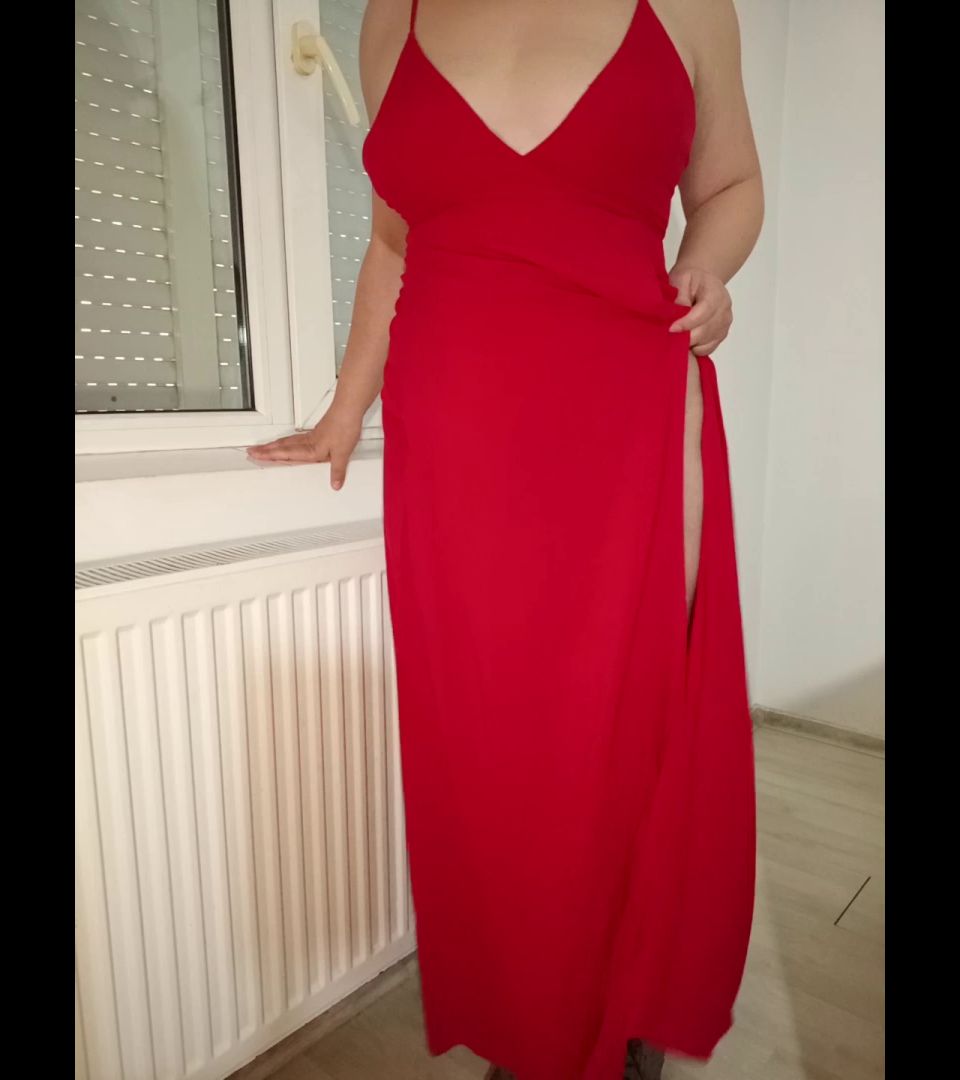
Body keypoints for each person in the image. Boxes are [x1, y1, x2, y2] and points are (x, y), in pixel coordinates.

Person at [249, 2, 763, 1077]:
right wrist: (345, 409)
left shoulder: (687, 6)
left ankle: (615, 1017)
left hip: (624, 410)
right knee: (488, 750)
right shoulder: (393, 15)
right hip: (457, 432)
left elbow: (730, 186)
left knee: (624, 729)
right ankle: (531, 1019)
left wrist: (710, 269)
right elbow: (395, 239)